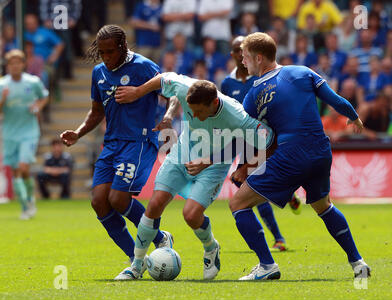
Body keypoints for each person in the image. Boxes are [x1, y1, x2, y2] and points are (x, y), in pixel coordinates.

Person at [229, 32, 370, 280]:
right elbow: (337, 101)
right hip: (321, 151)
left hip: (291, 154)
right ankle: (358, 262)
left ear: (259, 58)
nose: (242, 62)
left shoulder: (254, 94)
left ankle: (266, 266)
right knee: (323, 206)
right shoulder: (302, 71)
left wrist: (243, 167)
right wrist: (354, 116)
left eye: (246, 57)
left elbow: (250, 136)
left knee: (238, 204)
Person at [112, 71, 275, 281]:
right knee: (155, 204)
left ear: (214, 102)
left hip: (214, 166)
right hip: (181, 154)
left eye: (199, 112)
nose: (194, 116)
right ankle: (136, 265)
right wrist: (139, 93)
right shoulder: (184, 87)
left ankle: (211, 248)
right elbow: (164, 79)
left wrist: (238, 166)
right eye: (191, 111)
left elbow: (268, 138)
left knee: (190, 215)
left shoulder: (235, 114)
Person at [60, 25, 172, 268]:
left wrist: (168, 116)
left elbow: (172, 92)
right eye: (102, 53)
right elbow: (97, 112)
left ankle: (159, 237)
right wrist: (78, 133)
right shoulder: (99, 72)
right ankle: (136, 259)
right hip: (111, 144)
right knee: (99, 201)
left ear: (123, 47)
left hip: (139, 142)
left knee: (119, 199)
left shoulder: (144, 67)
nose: (106, 58)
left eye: (111, 51)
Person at [221, 36, 302, 252]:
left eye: (244, 50)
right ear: (233, 55)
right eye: (237, 50)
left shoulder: (261, 74)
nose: (241, 54)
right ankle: (287, 196)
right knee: (245, 183)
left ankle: (278, 238)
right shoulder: (227, 83)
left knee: (253, 183)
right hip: (243, 138)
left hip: (265, 137)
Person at [0, 49, 49, 220]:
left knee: (23, 167)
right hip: (10, 133)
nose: (14, 66)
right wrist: (3, 100)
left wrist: (38, 106)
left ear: (23, 64)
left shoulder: (32, 82)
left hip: (29, 131)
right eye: (11, 63)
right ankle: (25, 206)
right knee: (15, 171)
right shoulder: (2, 85)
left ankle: (30, 201)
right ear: (8, 66)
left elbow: (44, 97)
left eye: (17, 63)